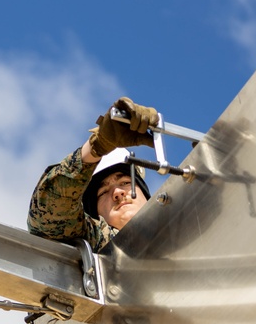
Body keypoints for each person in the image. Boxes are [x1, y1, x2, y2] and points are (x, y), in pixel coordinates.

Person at [27, 97, 158, 252]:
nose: (117, 192)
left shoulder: (183, 217)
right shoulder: (102, 245)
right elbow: (48, 218)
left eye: (124, 182)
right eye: (103, 192)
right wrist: (99, 145)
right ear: (95, 213)